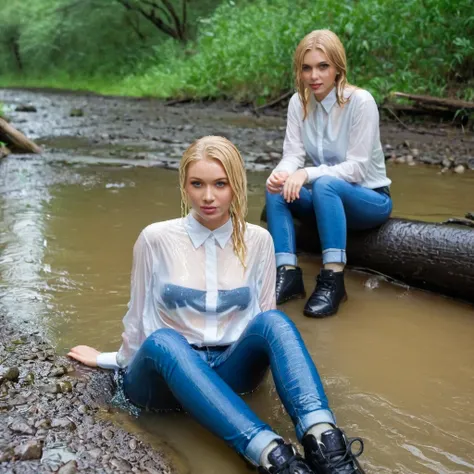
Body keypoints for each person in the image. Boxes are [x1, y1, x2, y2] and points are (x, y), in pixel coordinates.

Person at [68, 136, 365, 474]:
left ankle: (327, 445)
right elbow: (138, 318)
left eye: (220, 184)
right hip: (164, 381)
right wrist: (109, 360)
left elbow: (264, 320)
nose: (208, 197)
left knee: (276, 322)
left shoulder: (259, 241)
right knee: (165, 341)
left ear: (235, 185)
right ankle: (272, 456)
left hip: (229, 374)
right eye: (198, 184)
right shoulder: (156, 238)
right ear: (185, 186)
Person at [265, 30, 392, 317]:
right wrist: (281, 174)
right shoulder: (299, 103)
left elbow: (357, 167)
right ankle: (287, 274)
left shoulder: (361, 102)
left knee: (324, 184)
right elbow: (293, 155)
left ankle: (333, 279)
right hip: (327, 198)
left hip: (369, 200)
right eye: (306, 68)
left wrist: (306, 174)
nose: (314, 76)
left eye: (323, 66)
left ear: (337, 68)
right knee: (276, 187)